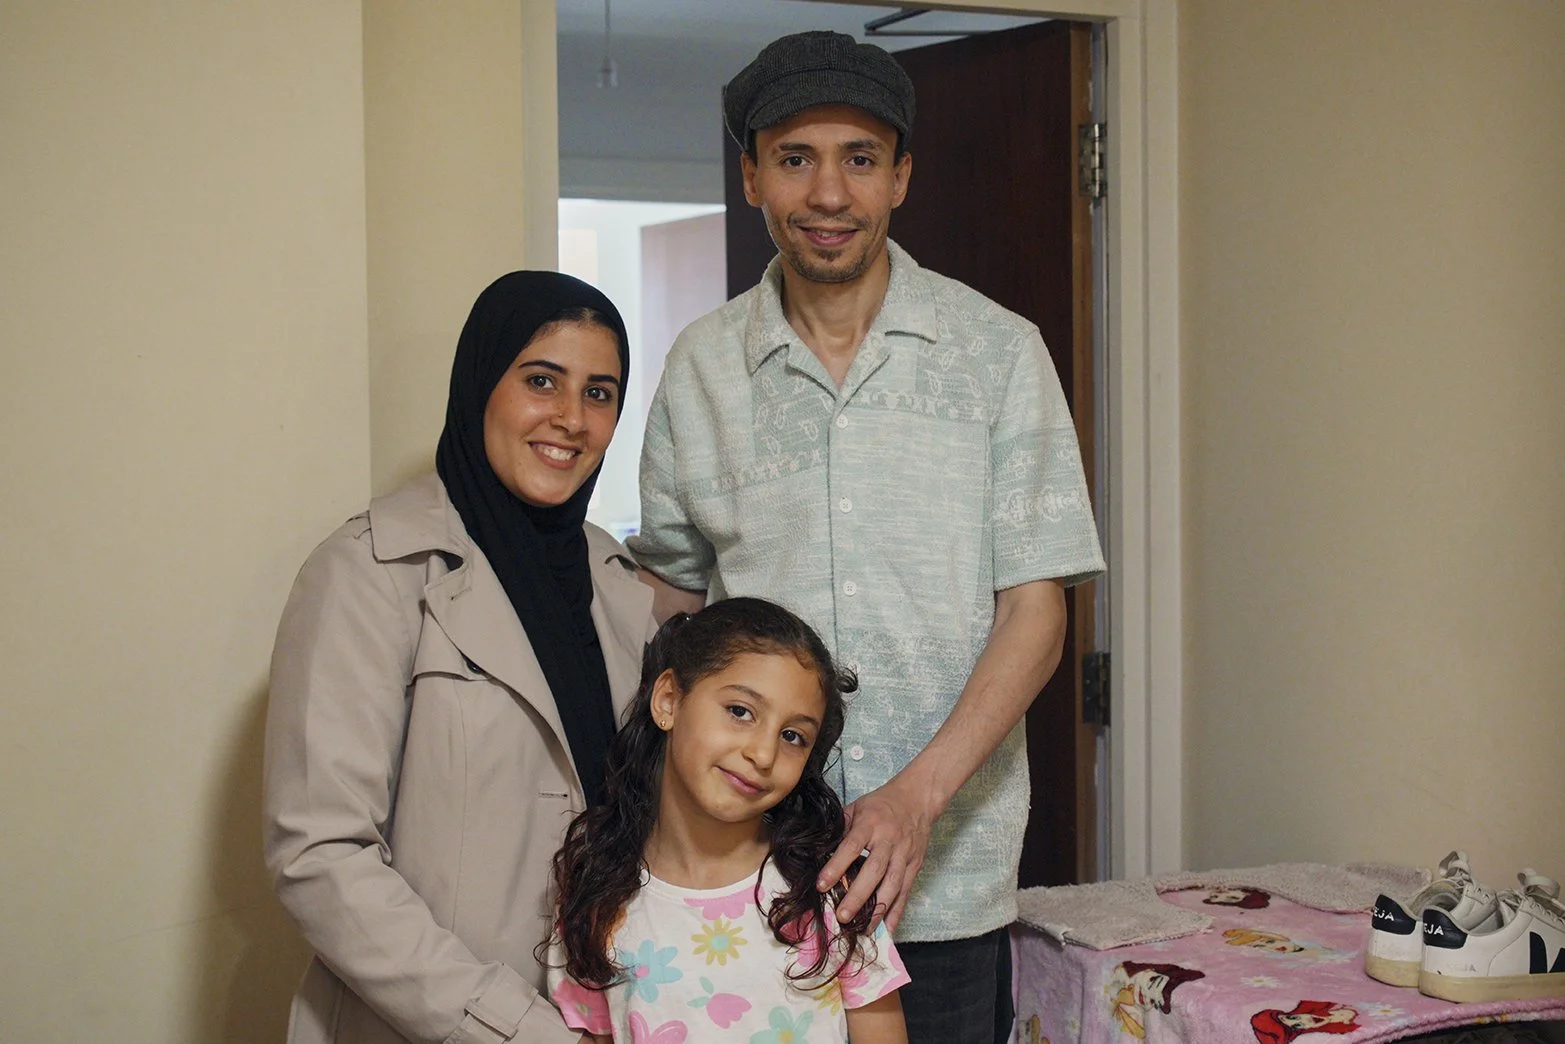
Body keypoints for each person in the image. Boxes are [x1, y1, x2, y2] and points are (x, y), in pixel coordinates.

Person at [627, 29, 1105, 1043]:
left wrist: (913, 801)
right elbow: (671, 609)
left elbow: (1036, 608)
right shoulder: (700, 369)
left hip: (939, 881)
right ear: (751, 174)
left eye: (858, 159)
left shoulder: (997, 354)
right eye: (795, 159)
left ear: (901, 176)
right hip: (738, 884)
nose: (828, 194)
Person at [263, 271, 656, 1044]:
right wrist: (512, 1027)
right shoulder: (370, 571)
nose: (571, 419)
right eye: (541, 380)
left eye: (599, 393)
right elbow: (320, 856)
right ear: (480, 383)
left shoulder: (615, 585)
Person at [543, 597, 909, 1043]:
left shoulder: (831, 890)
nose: (763, 753)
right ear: (668, 700)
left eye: (793, 736)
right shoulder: (596, 888)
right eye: (740, 711)